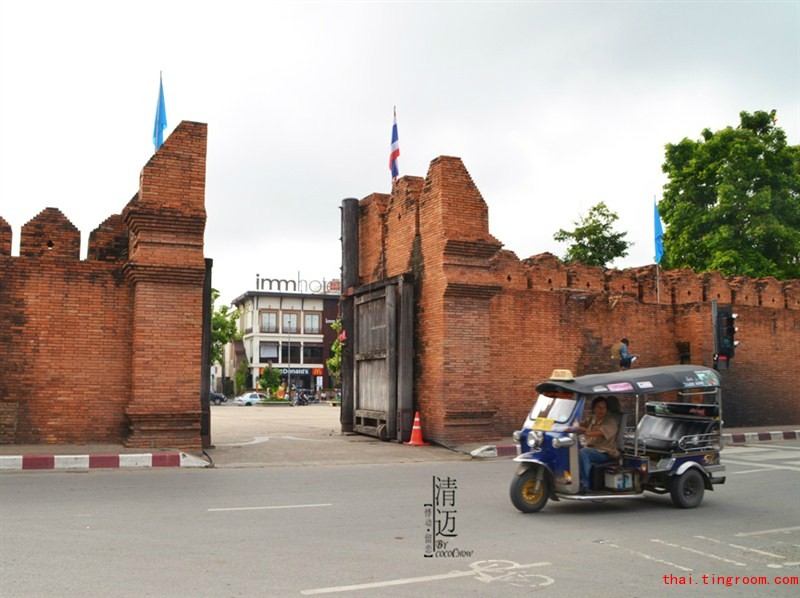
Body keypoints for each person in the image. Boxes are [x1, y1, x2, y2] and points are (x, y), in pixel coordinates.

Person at [576, 397, 620, 492]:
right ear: (593, 409)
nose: (602, 410)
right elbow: (580, 426)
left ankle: (586, 484)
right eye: (599, 407)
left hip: (604, 452)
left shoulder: (610, 421)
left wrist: (585, 431)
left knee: (584, 453)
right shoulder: (591, 419)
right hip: (591, 449)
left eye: (604, 408)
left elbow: (599, 433)